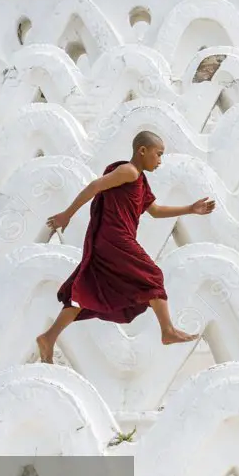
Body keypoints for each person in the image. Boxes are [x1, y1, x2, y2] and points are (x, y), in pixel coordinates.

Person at [35, 130, 216, 363]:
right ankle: (167, 330)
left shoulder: (140, 180)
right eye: (158, 154)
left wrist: (190, 209)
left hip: (111, 240)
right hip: (114, 239)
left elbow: (155, 211)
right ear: (142, 151)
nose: (160, 161)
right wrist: (66, 215)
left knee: (88, 290)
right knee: (152, 275)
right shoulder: (128, 172)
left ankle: (48, 338)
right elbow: (94, 187)